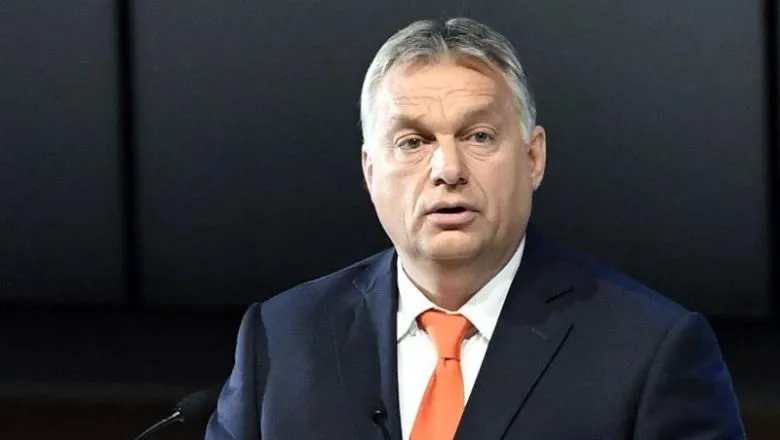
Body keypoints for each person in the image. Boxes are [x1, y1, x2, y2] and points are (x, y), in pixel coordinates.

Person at [205, 17, 745, 440]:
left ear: (533, 157)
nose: (448, 169)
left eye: (479, 136)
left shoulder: (651, 350)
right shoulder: (281, 338)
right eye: (413, 142)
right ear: (370, 171)